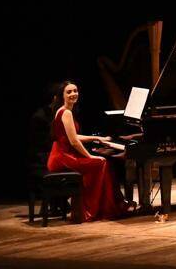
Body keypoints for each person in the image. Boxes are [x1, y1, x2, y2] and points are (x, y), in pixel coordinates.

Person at [46, 81, 128, 222]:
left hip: (61, 155)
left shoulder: (63, 111)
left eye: (75, 90)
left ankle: (107, 204)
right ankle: (95, 208)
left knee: (102, 162)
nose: (73, 94)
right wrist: (90, 156)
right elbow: (73, 141)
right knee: (102, 163)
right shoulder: (66, 113)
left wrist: (96, 138)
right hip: (62, 158)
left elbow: (74, 136)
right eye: (69, 92)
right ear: (62, 95)